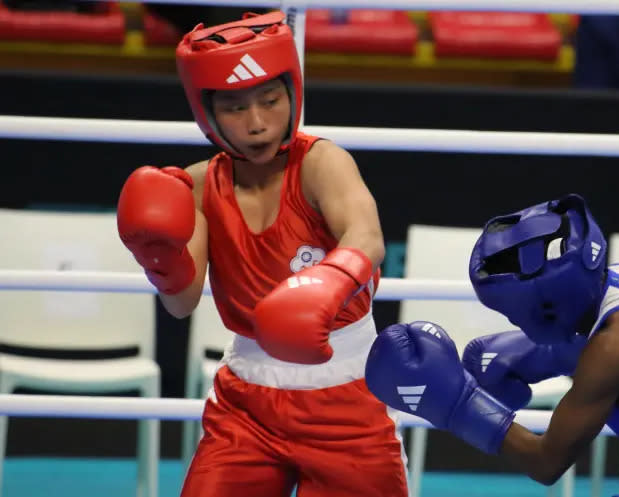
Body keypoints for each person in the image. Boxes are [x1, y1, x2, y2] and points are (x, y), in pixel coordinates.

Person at [116, 11, 407, 497]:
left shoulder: (321, 163)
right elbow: (181, 303)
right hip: (246, 407)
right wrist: (160, 262)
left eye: (270, 101)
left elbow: (367, 237)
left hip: (347, 399)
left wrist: (328, 283)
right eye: (234, 108)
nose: (256, 124)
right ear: (206, 111)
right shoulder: (197, 185)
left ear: (292, 94)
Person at [366, 194, 619, 497]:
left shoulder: (615, 349)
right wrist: (551, 355)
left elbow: (546, 462)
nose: (514, 326)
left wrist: (457, 402)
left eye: (516, 317)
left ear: (547, 309)